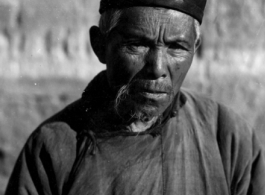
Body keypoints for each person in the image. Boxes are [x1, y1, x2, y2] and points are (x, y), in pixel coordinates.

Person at [5, 0, 265, 194]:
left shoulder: (228, 139)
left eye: (176, 47)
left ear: (195, 48)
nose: (158, 68)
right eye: (137, 44)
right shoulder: (54, 147)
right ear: (100, 45)